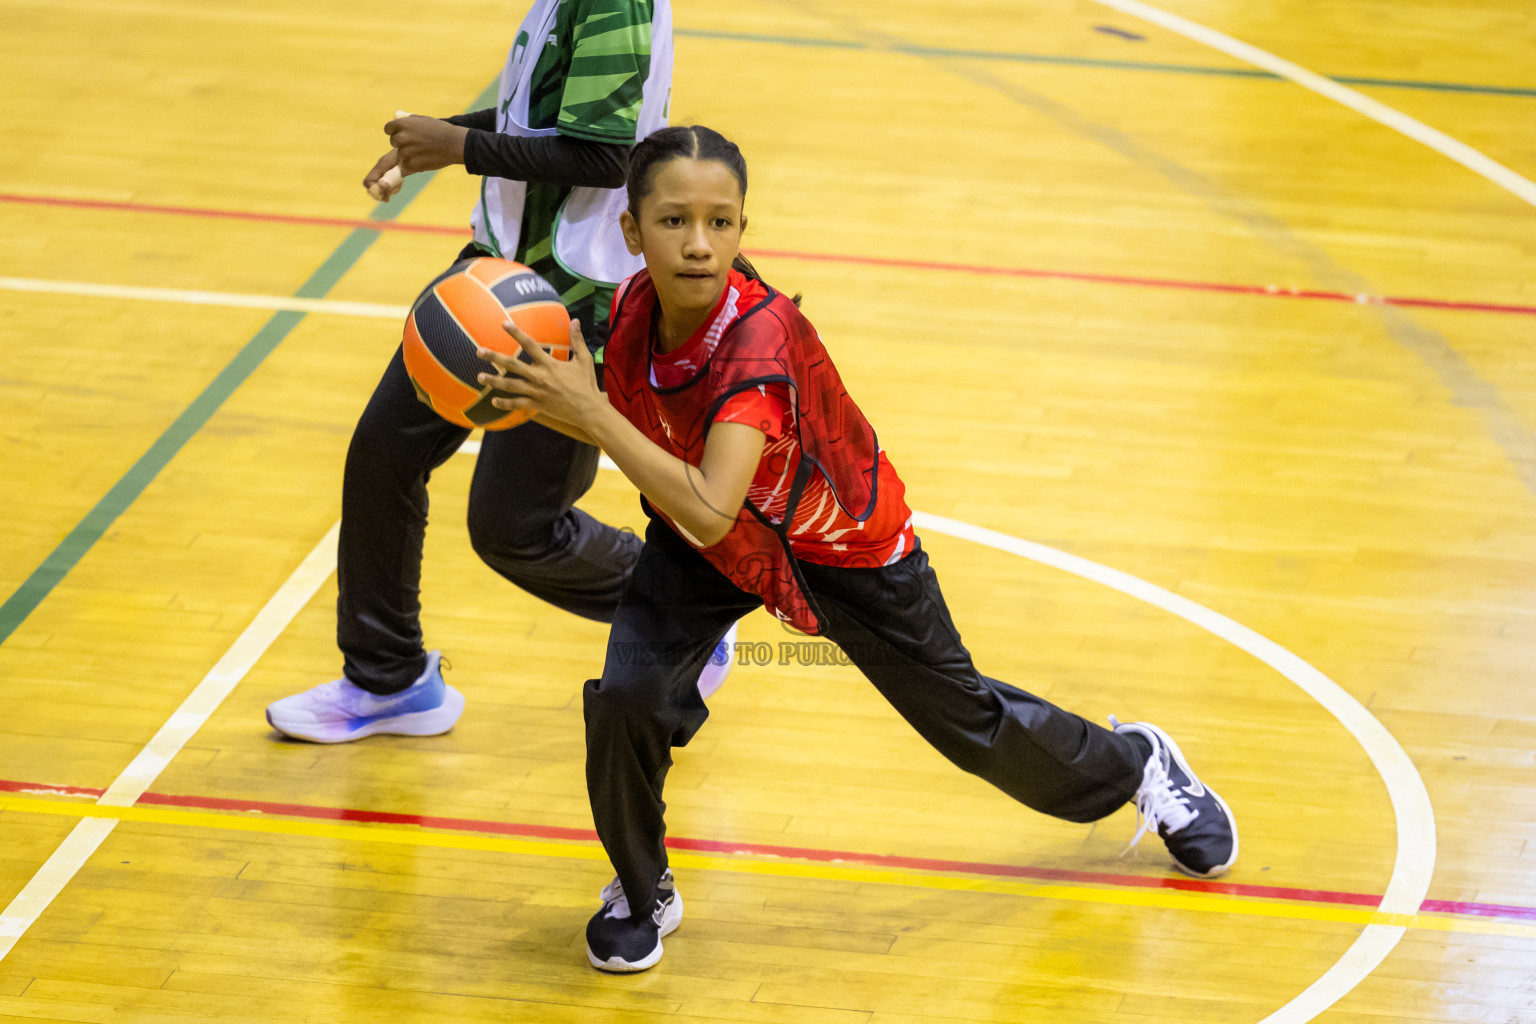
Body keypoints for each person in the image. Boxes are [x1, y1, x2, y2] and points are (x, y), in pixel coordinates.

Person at [474, 125, 1239, 973]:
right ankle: (640, 882)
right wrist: (525, 390)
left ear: (741, 228)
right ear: (631, 230)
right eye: (674, 221)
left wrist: (587, 415)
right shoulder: (624, 318)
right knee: (627, 696)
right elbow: (679, 493)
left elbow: (711, 501)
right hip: (708, 548)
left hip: (844, 551)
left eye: (721, 223)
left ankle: (1137, 764)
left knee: (969, 727)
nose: (698, 244)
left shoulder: (759, 344)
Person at [265, 0, 735, 744]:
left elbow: (608, 156)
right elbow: (538, 114)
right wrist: (448, 134)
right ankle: (387, 680)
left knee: (515, 529)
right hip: (492, 271)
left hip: (569, 300)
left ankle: (685, 606)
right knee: (383, 456)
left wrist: (458, 146)